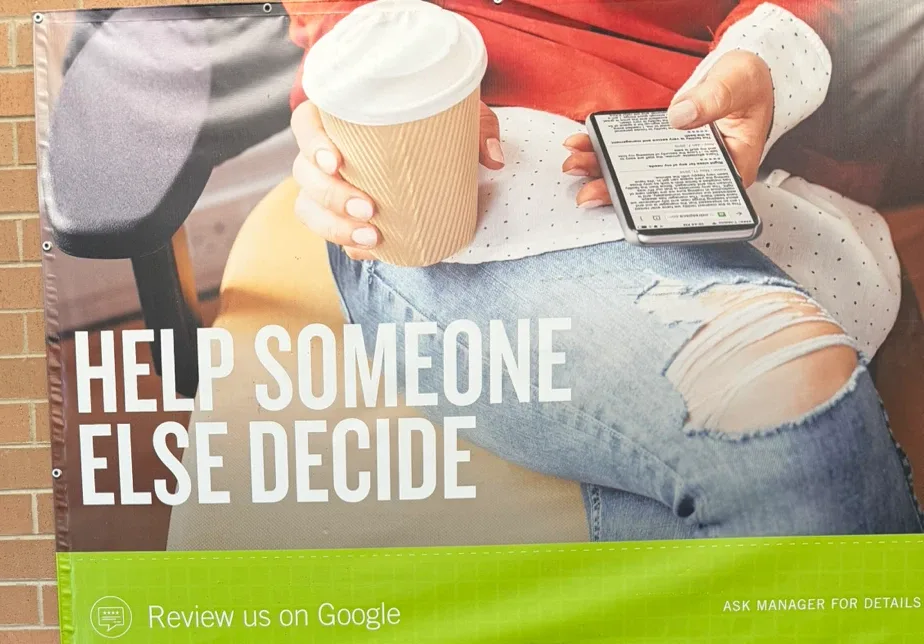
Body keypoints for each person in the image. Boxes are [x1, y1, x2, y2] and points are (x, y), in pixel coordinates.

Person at [284, 0, 923, 539]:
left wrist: (768, 54)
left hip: (682, 122)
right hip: (450, 163)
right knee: (788, 414)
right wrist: (351, 93)